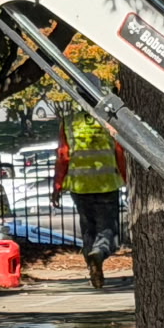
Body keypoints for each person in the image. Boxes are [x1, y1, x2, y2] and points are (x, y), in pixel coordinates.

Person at [53, 112, 127, 289]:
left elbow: (63, 156)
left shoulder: (69, 122)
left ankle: (92, 263)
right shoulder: (109, 120)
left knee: (88, 228)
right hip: (107, 184)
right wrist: (126, 178)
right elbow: (119, 151)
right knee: (107, 228)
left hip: (80, 185)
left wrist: (57, 186)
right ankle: (99, 253)